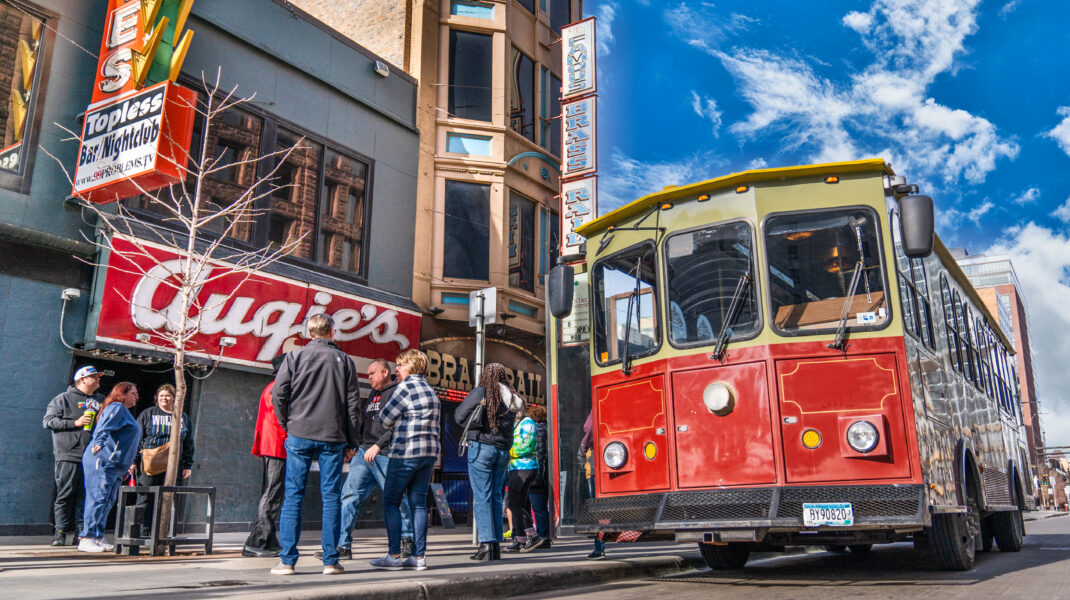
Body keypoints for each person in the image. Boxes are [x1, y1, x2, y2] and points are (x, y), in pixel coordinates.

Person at [271, 314, 362, 576]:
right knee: (331, 497)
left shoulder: (294, 357)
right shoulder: (344, 361)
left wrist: (287, 424)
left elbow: (280, 394)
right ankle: (330, 561)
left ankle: (287, 561)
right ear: (333, 332)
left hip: (299, 433)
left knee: (293, 496)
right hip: (333, 437)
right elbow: (353, 405)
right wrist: (352, 440)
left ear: (309, 332)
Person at [328, 358, 414, 560]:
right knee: (349, 495)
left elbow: (399, 426)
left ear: (385, 372)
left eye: (372, 373)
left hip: (386, 454)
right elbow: (365, 423)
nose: (369, 377)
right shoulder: (373, 395)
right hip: (364, 454)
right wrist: (354, 445)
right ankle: (343, 546)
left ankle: (408, 539)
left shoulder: (397, 392)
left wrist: (379, 445)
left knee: (396, 498)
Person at [370, 349, 440, 571]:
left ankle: (393, 556)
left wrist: (395, 421)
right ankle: (419, 557)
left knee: (391, 500)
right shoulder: (431, 391)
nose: (397, 369)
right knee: (418, 503)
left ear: (411, 366)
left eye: (400, 365)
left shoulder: (405, 388)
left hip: (405, 452)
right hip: (428, 455)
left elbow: (384, 417)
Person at [454, 363, 523, 561]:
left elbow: (459, 416)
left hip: (482, 448)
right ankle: (495, 546)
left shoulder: (481, 392)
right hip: (503, 452)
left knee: (481, 496)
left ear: (486, 375)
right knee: (494, 496)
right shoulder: (513, 398)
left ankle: (486, 544)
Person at [43, 365, 104, 547]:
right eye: (94, 377)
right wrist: (75, 422)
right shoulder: (62, 399)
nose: (98, 379)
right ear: (82, 379)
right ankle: (59, 533)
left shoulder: (100, 400)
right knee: (65, 494)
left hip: (91, 456)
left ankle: (81, 533)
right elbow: (48, 422)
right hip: (68, 453)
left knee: (85, 496)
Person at [78, 382, 141, 553]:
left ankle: (97, 536)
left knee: (107, 499)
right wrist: (98, 443)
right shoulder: (116, 408)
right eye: (133, 393)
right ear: (123, 393)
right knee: (98, 497)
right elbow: (103, 427)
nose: (137, 397)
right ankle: (86, 537)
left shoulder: (124, 412)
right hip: (103, 460)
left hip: (116, 465)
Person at [243, 353, 288, 558]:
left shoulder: (271, 387)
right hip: (277, 446)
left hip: (271, 446)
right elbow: (281, 419)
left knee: (272, 492)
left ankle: (268, 539)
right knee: (272, 492)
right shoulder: (278, 388)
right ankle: (257, 541)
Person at [134, 384, 195, 534]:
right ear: (157, 398)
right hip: (149, 463)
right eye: (161, 396)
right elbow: (136, 438)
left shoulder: (182, 417)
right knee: (145, 497)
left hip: (174, 464)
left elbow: (189, 442)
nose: (164, 398)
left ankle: (162, 532)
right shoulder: (148, 414)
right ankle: (142, 530)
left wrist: (188, 464)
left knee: (168, 498)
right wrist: (133, 462)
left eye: (168, 395)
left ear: (175, 398)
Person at [504, 404, 539, 552]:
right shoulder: (516, 424)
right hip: (516, 468)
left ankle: (533, 535)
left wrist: (507, 448)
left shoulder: (528, 423)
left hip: (525, 468)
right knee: (519, 504)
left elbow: (524, 447)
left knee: (514, 504)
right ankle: (520, 540)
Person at [525, 403, 552, 551]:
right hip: (549, 474)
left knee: (537, 506)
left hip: (539, 474)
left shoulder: (538, 430)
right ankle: (544, 535)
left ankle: (542, 537)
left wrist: (537, 476)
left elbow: (540, 454)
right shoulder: (549, 429)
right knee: (541, 508)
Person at [579, 412, 605, 560]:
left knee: (597, 509)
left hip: (596, 462)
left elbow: (589, 428)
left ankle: (599, 547)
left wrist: (583, 446)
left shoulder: (596, 408)